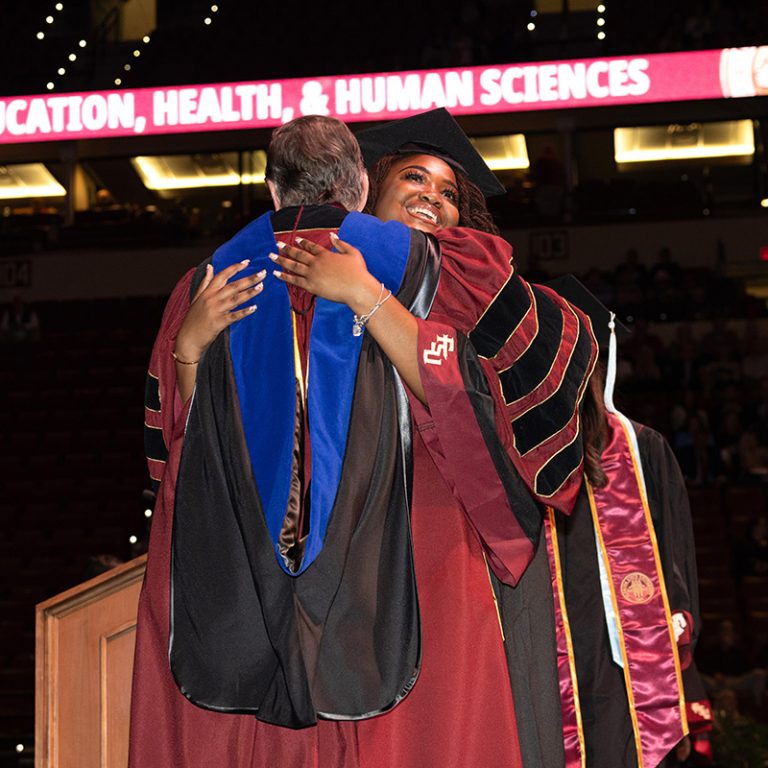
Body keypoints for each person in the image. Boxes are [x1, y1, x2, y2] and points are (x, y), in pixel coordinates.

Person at [130, 110, 597, 767]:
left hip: (409, 541)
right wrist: (188, 351)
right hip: (258, 573)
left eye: (449, 194)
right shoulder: (215, 285)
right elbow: (180, 442)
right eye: (415, 179)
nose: (432, 198)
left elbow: (495, 387)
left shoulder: (449, 273)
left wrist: (369, 297)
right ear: (361, 186)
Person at [528, 275, 703, 768]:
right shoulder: (517, 448)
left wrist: (681, 685)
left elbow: (676, 573)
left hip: (625, 670)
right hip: (543, 665)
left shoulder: (643, 449)